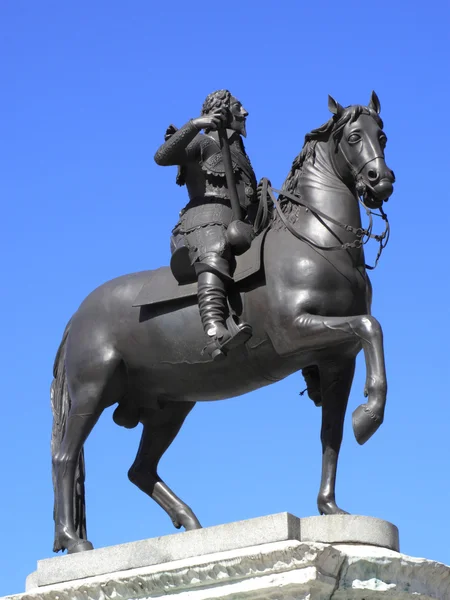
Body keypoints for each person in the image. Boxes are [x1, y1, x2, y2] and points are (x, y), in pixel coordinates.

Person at [154, 90, 258, 360]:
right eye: (238, 107)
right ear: (222, 112)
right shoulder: (200, 143)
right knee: (216, 248)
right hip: (204, 218)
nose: (245, 112)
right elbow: (162, 157)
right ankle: (215, 330)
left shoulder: (239, 153)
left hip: (240, 221)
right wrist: (195, 124)